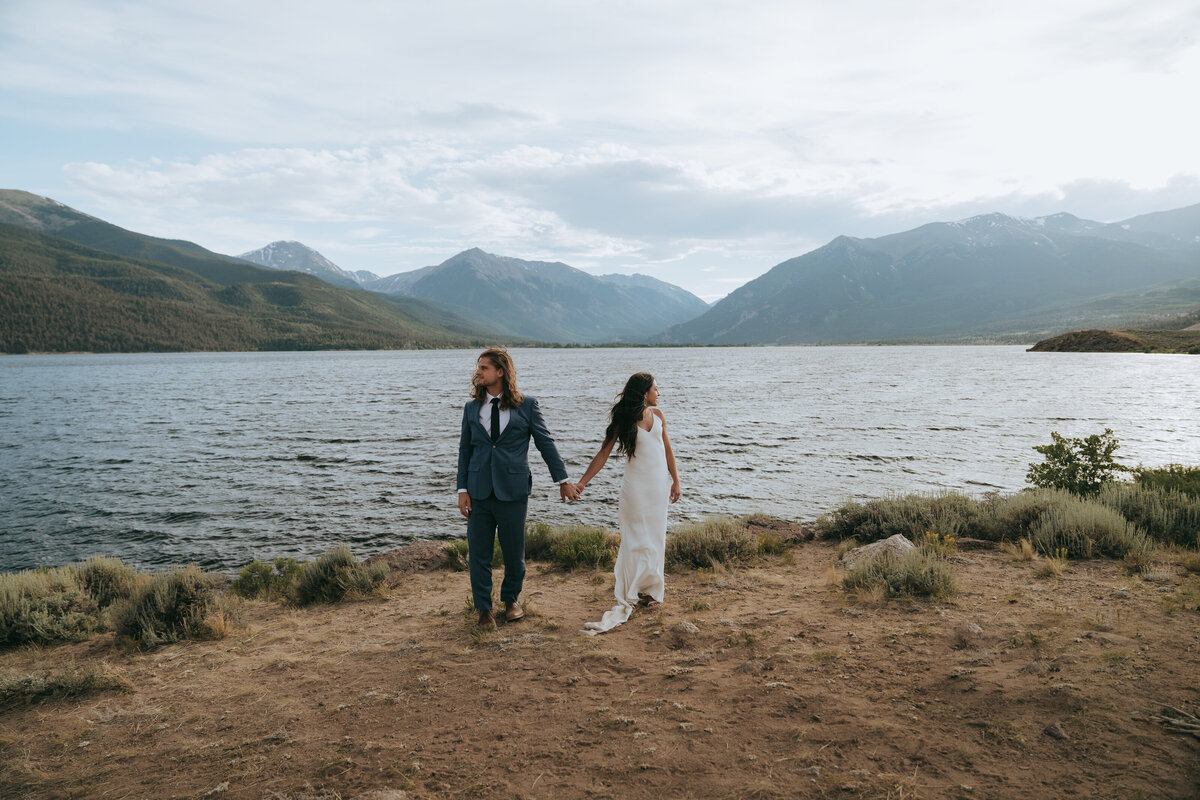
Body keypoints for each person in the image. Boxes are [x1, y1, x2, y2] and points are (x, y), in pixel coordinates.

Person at [457, 347, 579, 631]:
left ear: (500, 372)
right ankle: (484, 609)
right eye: (478, 368)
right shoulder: (471, 408)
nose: (478, 372)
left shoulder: (527, 405)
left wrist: (563, 480)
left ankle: (511, 600)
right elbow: (465, 450)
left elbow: (545, 443)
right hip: (478, 491)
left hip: (513, 489)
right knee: (479, 553)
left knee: (514, 552)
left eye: (484, 368)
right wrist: (462, 488)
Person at [577, 372, 681, 634]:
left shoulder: (658, 417)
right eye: (656, 389)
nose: (659, 393)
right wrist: (582, 482)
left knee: (656, 537)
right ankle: (632, 591)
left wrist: (675, 481)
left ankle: (651, 591)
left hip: (658, 488)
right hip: (635, 488)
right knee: (634, 538)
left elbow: (667, 449)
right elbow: (603, 453)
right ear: (644, 392)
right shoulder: (624, 420)